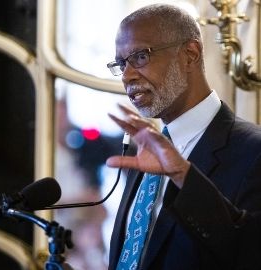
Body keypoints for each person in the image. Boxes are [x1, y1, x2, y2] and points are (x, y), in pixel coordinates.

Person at [105, 4, 261, 270]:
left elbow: (250, 253)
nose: (127, 75)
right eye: (121, 63)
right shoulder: (142, 152)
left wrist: (183, 176)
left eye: (140, 56)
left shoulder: (254, 152)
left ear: (190, 54)